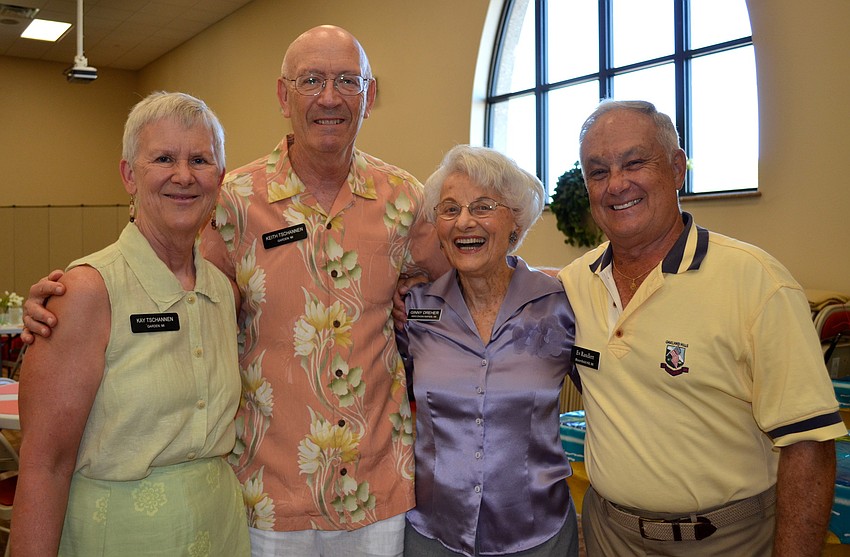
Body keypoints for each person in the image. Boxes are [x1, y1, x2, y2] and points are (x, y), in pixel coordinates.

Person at [23, 25, 447, 557]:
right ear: (282, 95)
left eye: (348, 81)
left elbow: (458, 282)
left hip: (376, 491)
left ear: (370, 94)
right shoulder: (229, 202)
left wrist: (531, 285)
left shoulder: (405, 199)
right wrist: (73, 290)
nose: (329, 97)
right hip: (264, 496)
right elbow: (163, 274)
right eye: (310, 80)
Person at [558, 99, 846, 556]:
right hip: (608, 536)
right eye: (598, 171)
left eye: (635, 162)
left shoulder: (756, 282)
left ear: (677, 169)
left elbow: (809, 444)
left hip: (725, 541)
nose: (616, 184)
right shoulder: (573, 285)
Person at [9, 91, 250, 556]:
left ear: (219, 179)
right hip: (118, 538)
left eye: (199, 159)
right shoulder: (85, 293)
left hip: (220, 531)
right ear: (129, 176)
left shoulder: (222, 291)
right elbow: (45, 465)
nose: (183, 175)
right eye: (163, 158)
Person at [397, 145, 579, 557]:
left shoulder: (559, 305)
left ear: (515, 223)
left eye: (483, 207)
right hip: (433, 533)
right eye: (449, 209)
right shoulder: (415, 309)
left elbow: (609, 392)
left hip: (537, 534)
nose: (464, 221)